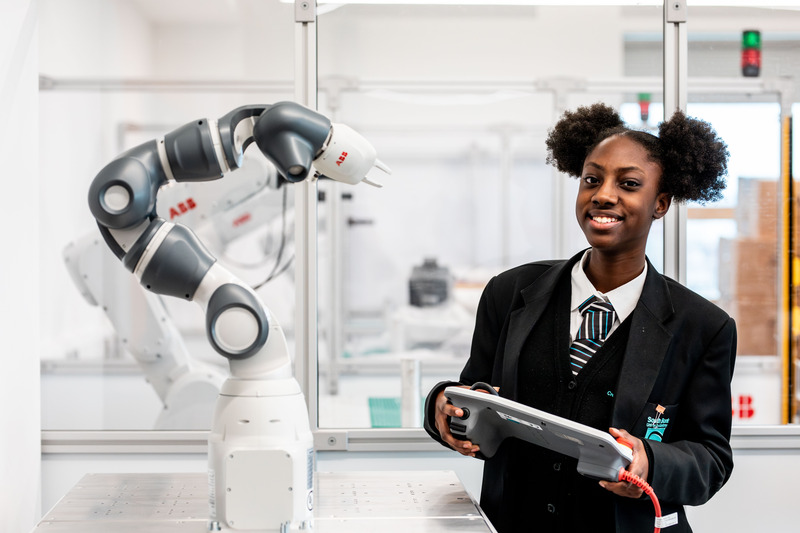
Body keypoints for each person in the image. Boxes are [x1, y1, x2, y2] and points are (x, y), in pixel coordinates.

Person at [423, 102, 736, 533]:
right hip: (513, 521)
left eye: (628, 183)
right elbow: (474, 391)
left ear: (661, 203)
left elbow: (711, 459)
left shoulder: (702, 327)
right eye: (592, 179)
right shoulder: (509, 293)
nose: (603, 194)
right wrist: (444, 406)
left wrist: (650, 463)